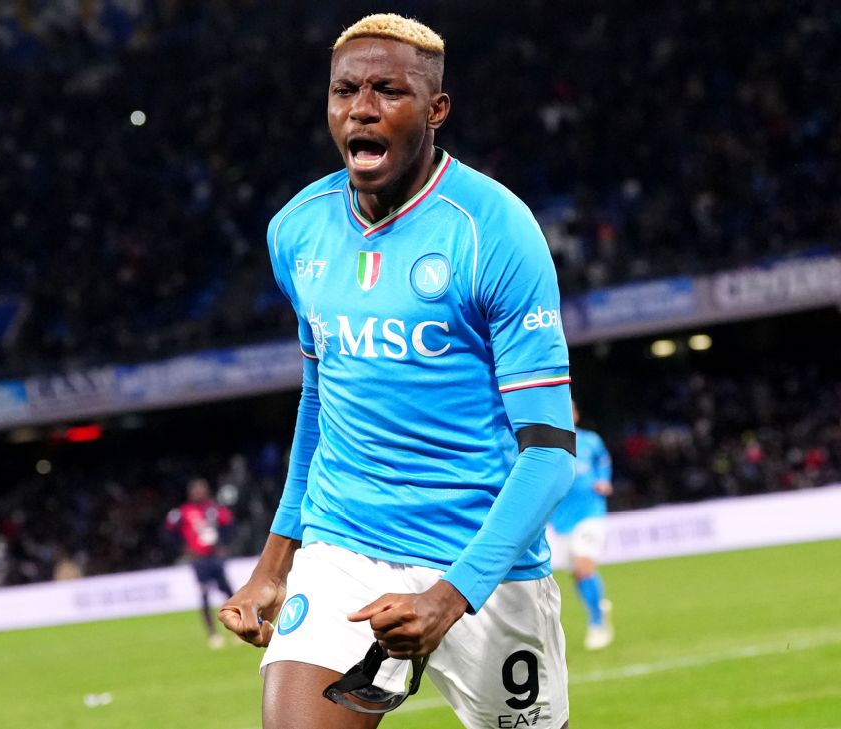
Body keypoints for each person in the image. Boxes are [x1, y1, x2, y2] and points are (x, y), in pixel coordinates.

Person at [218, 13, 577, 729]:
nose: (362, 108)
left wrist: (450, 596)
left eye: (388, 91)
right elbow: (320, 403)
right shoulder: (297, 229)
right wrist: (274, 564)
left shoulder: (494, 230)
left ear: (436, 109)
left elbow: (549, 453)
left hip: (480, 564)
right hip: (343, 546)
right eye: (344, 90)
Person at [548, 401, 614, 649]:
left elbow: (604, 461)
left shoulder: (591, 440)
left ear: (575, 414)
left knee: (584, 567)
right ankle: (597, 606)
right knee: (577, 573)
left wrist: (604, 480)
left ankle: (597, 622)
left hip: (591, 512)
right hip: (561, 518)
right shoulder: (547, 444)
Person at [166, 477, 235, 648]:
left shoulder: (215, 509)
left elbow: (230, 525)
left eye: (201, 490)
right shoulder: (183, 512)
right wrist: (184, 548)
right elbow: (170, 532)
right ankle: (213, 634)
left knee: (229, 593)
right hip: (199, 560)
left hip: (215, 558)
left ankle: (238, 630)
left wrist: (224, 546)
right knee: (204, 595)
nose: (198, 493)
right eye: (195, 490)